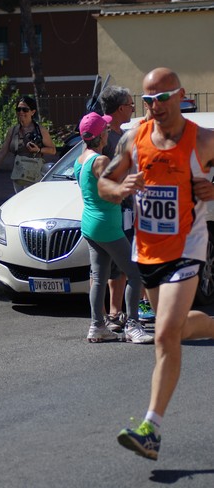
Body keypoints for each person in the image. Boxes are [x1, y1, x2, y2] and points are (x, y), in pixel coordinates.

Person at [98, 67, 214, 460]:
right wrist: (120, 188)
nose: (154, 106)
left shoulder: (203, 141)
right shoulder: (133, 139)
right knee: (176, 331)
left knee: (164, 336)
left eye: (162, 98)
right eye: (148, 99)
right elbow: (105, 184)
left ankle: (151, 429)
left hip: (187, 248)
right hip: (147, 253)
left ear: (180, 95)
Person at [73, 111, 154, 345]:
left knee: (98, 278)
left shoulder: (82, 158)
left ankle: (97, 326)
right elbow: (116, 192)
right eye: (106, 130)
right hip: (107, 225)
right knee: (135, 274)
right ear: (100, 136)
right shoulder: (101, 161)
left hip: (90, 224)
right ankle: (133, 326)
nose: (109, 133)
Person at [99, 85, 137, 330]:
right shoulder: (105, 136)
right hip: (113, 208)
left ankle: (115, 313)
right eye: (131, 104)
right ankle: (112, 315)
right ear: (121, 108)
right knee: (114, 265)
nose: (134, 108)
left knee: (118, 266)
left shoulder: (121, 133)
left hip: (125, 207)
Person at [0, 96, 56, 193]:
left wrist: (38, 150)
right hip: (19, 174)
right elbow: (3, 151)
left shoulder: (40, 130)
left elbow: (53, 150)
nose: (21, 112)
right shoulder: (13, 130)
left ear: (32, 112)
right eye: (18, 109)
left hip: (34, 174)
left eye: (25, 109)